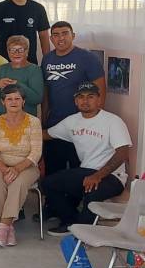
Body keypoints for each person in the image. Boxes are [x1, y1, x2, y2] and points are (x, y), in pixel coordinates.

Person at [43, 82, 131, 236]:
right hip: (85, 172)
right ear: (75, 101)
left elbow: (122, 153)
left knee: (93, 192)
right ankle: (70, 221)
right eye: (81, 97)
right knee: (48, 184)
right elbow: (45, 134)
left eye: (90, 96)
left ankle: (82, 230)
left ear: (99, 100)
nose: (85, 101)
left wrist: (98, 175)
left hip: (113, 177)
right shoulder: (72, 121)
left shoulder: (113, 121)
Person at [41, 21, 106, 176]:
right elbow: (46, 93)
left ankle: (80, 200)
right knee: (54, 170)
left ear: (73, 36)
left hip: (81, 125)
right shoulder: (47, 59)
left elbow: (101, 91)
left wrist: (94, 121)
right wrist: (44, 119)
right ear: (51, 39)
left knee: (80, 170)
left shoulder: (87, 58)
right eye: (56, 35)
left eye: (65, 33)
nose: (60, 38)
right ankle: (54, 200)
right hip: (55, 124)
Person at [0, 85, 42, 246]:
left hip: (27, 165)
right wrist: (4, 169)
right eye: (9, 99)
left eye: (17, 98)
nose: (13, 101)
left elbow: (36, 152)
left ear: (23, 101)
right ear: (3, 102)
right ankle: (8, 226)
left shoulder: (34, 122)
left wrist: (17, 169)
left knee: (17, 183)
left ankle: (3, 227)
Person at [0, 35, 44, 117]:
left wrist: (18, 85)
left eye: (20, 50)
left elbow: (37, 99)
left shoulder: (35, 70)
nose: (16, 53)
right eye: (13, 50)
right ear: (8, 51)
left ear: (27, 51)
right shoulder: (2, 68)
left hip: (24, 121)